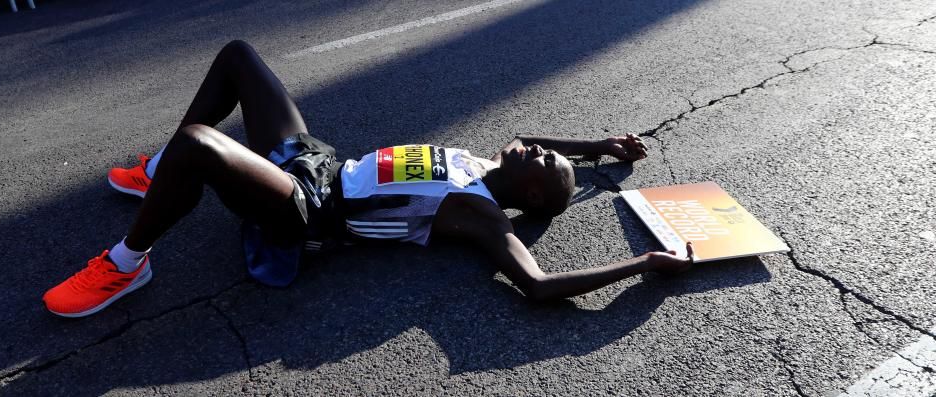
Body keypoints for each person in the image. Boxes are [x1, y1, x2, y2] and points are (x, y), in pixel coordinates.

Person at [42, 40, 694, 318]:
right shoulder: (486, 165)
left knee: (199, 146)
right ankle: (162, 174)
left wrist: (641, 264)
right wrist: (599, 149)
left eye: (543, 160)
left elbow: (541, 284)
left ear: (526, 193)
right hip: (316, 160)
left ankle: (128, 262)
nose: (540, 146)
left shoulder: (478, 211)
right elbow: (548, 152)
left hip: (307, 207)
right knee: (238, 56)